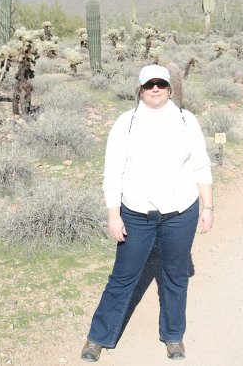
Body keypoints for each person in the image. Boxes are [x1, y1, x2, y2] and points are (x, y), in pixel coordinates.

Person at [81, 64, 214, 362]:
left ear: (170, 88)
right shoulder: (126, 122)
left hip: (180, 212)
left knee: (175, 276)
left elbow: (200, 164)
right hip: (137, 214)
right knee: (123, 277)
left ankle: (173, 336)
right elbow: (112, 173)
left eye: (162, 84)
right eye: (150, 84)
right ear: (140, 89)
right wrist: (113, 215)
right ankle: (98, 337)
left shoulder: (185, 119)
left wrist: (208, 206)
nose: (156, 89)